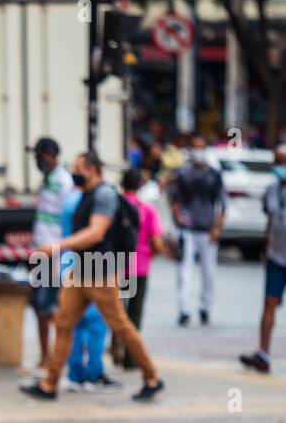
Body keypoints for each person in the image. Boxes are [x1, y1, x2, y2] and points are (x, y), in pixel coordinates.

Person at [22, 151, 164, 402]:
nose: (75, 172)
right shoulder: (86, 195)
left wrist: (57, 246)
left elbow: (96, 233)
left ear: (92, 169)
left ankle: (152, 377)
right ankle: (49, 384)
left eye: (79, 167)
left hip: (100, 273)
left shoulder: (104, 195)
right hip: (80, 271)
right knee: (64, 324)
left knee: (120, 326)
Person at [60, 185, 122, 393]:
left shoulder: (71, 199)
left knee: (73, 324)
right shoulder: (92, 201)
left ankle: (75, 375)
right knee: (97, 323)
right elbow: (96, 234)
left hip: (69, 263)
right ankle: (94, 373)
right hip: (93, 266)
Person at [29, 138, 75, 374]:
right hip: (41, 252)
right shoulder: (48, 180)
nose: (37, 160)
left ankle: (58, 357)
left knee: (53, 308)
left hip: (54, 255)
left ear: (51, 154)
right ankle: (44, 357)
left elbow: (68, 221)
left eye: (40, 155)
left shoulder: (63, 181)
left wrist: (57, 248)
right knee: (40, 307)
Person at [169, 135, 226, 326]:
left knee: (208, 273)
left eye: (201, 147)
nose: (198, 151)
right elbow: (174, 200)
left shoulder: (214, 174)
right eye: (195, 147)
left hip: (208, 230)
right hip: (188, 230)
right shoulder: (183, 174)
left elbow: (222, 203)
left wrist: (217, 227)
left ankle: (205, 308)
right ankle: (184, 309)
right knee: (184, 271)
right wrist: (178, 217)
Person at [240, 144, 286, 373]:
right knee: (269, 303)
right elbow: (270, 221)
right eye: (277, 162)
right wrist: (267, 246)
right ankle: (263, 354)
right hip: (276, 257)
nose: (280, 167)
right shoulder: (271, 190)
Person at [115, 168, 165, 370]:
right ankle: (130, 359)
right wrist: (151, 255)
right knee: (134, 314)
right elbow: (158, 243)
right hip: (140, 268)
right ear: (140, 186)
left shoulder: (114, 208)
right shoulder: (147, 210)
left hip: (116, 266)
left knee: (116, 312)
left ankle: (115, 345)